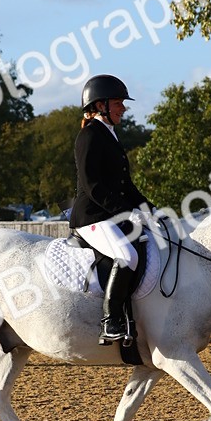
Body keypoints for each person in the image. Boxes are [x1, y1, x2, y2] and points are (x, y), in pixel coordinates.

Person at [69, 74, 152, 344]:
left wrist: (152, 210)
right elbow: (94, 187)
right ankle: (111, 321)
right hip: (92, 216)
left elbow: (126, 185)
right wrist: (126, 212)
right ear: (101, 104)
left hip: (108, 213)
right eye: (118, 103)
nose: (123, 108)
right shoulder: (89, 135)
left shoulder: (110, 135)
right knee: (127, 256)